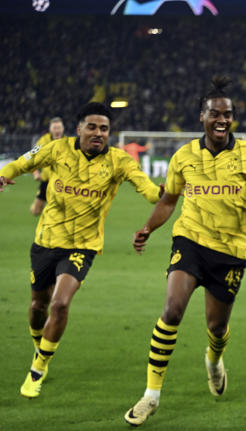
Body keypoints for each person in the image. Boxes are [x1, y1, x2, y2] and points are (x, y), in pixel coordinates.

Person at [123, 77, 246, 426]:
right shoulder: (184, 156)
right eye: (214, 114)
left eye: (227, 114)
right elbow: (168, 201)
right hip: (190, 241)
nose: (221, 120)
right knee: (172, 309)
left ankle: (213, 359)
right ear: (202, 117)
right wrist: (148, 227)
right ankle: (151, 395)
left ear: (233, 118)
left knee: (217, 326)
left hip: (231, 250)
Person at [0, 103, 162, 399]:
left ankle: (38, 368)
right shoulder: (57, 149)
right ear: (80, 129)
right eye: (93, 127)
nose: (98, 133)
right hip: (46, 241)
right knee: (39, 305)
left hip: (83, 246)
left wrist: (162, 192)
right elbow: (20, 163)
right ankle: (40, 343)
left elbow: (148, 190)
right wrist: (4, 174)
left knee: (60, 304)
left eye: (104, 129)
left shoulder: (119, 161)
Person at [29, 117, 65, 216]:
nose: (57, 130)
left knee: (60, 212)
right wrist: (36, 173)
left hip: (62, 182)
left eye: (59, 128)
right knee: (36, 211)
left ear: (63, 129)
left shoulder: (67, 143)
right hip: (46, 180)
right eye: (55, 128)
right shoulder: (43, 141)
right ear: (50, 129)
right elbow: (33, 158)